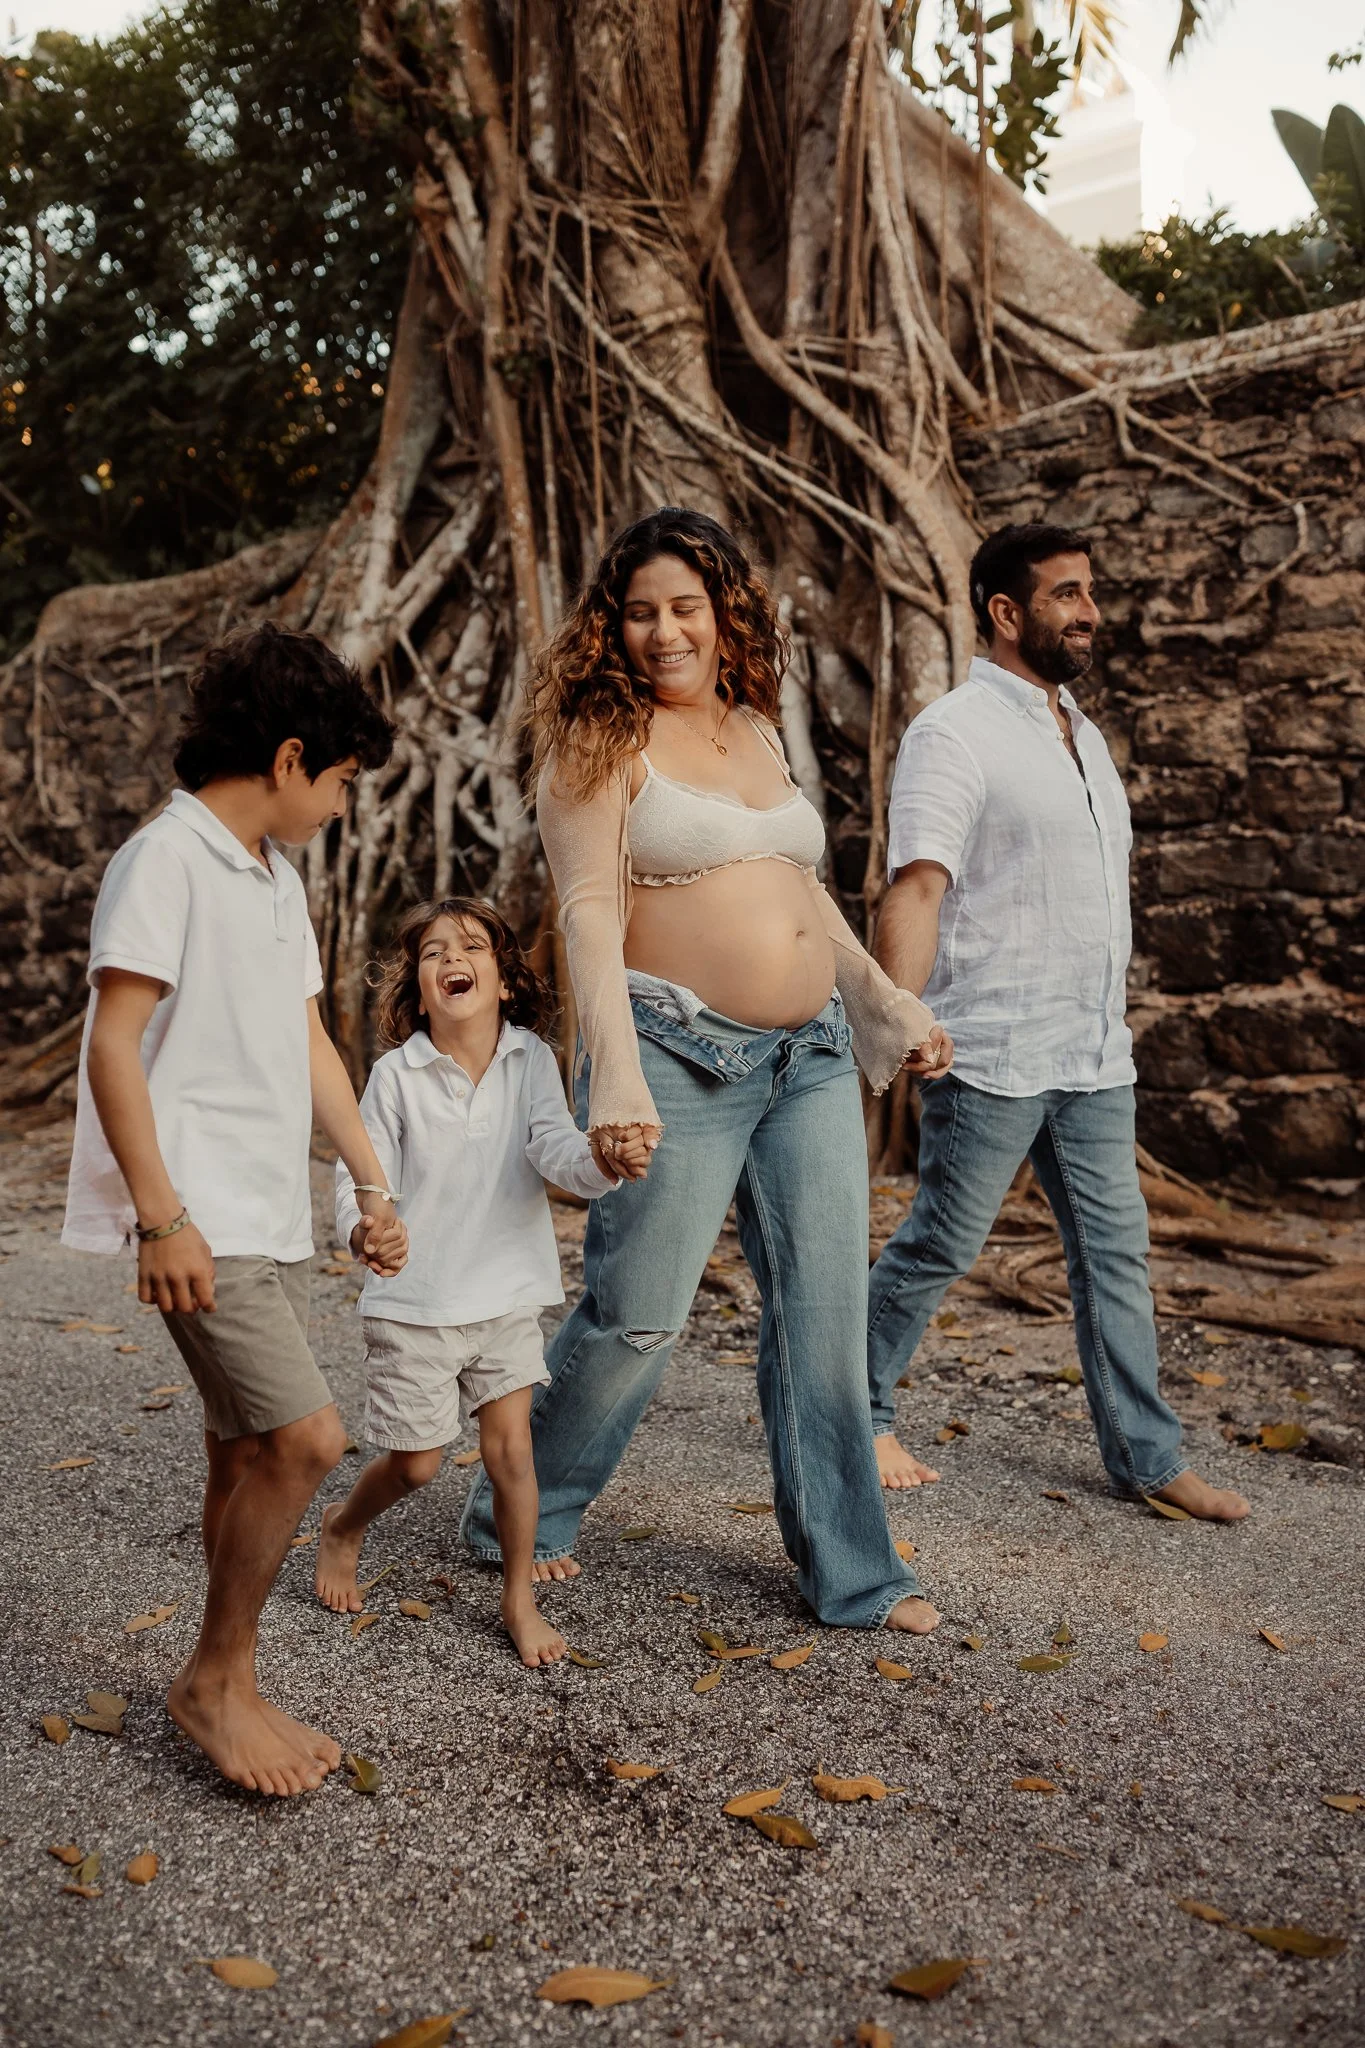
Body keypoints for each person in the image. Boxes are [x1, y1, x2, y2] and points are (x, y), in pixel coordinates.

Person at [460, 507, 952, 1632]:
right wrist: (616, 1079)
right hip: (675, 1054)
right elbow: (588, 914)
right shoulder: (599, 736)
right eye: (639, 612)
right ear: (612, 625)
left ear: (727, 613)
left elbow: (801, 899)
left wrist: (884, 999)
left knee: (823, 1315)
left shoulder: (757, 731)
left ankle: (855, 1571)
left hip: (811, 1058)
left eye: (685, 606)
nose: (663, 631)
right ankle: (524, 1511)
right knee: (637, 1315)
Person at [62, 623, 410, 1798]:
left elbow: (308, 1039)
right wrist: (160, 1217)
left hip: (264, 1212)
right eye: (345, 782)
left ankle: (235, 1679)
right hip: (199, 1210)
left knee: (240, 1450)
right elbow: (111, 1045)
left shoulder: (273, 875)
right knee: (309, 1440)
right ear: (292, 755)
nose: (343, 806)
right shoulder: (166, 859)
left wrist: (368, 1173)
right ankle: (215, 1677)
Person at [865, 523, 1249, 1522]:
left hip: (1091, 1052)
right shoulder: (952, 732)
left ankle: (1147, 1456)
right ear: (1006, 611)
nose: (1089, 610)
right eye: (1068, 593)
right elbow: (915, 886)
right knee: (941, 1245)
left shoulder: (1079, 727)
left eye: (1090, 591)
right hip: (991, 1047)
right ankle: (848, 1411)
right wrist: (895, 1021)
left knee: (1115, 1252)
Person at [314, 896, 641, 1666]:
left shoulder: (529, 1059)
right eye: (432, 953)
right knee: (415, 1463)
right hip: (414, 1303)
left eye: (470, 948)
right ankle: (343, 1525)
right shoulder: (396, 1074)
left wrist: (600, 1162)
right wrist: (368, 1227)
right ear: (418, 987)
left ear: (501, 979)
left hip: (503, 1294)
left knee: (512, 1456)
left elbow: (555, 1148)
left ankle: (517, 1595)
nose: (450, 960)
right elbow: (357, 1179)